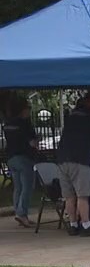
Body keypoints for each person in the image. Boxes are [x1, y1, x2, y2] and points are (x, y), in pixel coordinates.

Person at [56, 90, 90, 236]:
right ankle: (86, 225)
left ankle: (73, 225)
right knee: (83, 195)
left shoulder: (72, 115)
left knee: (69, 196)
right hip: (81, 159)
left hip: (62, 159)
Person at [3, 97, 38, 228]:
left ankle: (19, 212)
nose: (29, 111)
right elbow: (32, 142)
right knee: (28, 186)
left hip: (11, 157)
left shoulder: (8, 124)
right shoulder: (25, 123)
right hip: (24, 157)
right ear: (23, 110)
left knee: (18, 187)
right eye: (28, 108)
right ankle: (22, 213)